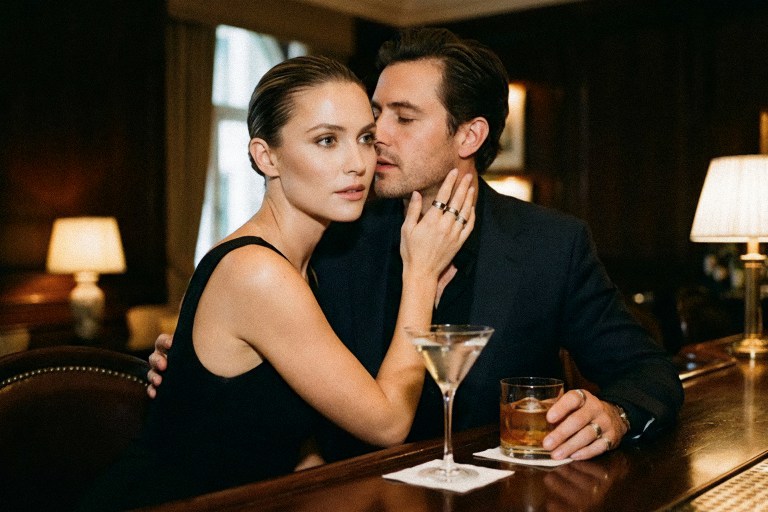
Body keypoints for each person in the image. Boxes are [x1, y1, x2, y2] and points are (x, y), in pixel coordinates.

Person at [149, 28, 684, 465]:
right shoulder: (335, 230)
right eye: (374, 116)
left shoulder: (550, 245)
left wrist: (616, 415)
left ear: (469, 136)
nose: (376, 135)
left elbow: (648, 370)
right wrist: (206, 370)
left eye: (403, 118)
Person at [79, 55, 476, 510]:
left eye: (365, 138)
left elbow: (283, 440)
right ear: (266, 156)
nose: (358, 163)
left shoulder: (305, 265)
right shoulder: (258, 272)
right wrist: (421, 274)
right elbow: (388, 424)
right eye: (326, 140)